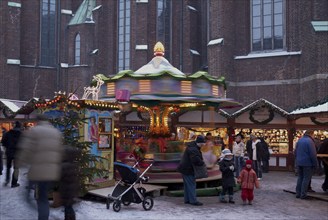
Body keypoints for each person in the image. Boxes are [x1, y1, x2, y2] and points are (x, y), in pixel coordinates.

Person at [17, 115, 64, 220]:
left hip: (37, 170)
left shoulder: (34, 131)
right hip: (51, 172)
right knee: (43, 196)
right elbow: (60, 152)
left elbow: (26, 149)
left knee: (30, 196)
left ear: (38, 121)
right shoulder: (56, 132)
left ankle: (41, 215)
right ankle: (44, 215)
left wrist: (20, 163)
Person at [177, 135, 206, 206]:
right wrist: (202, 162)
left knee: (187, 185)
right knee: (191, 184)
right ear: (200, 143)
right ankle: (193, 200)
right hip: (188, 169)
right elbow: (195, 159)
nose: (203, 145)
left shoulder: (192, 146)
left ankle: (187, 199)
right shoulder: (193, 149)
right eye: (202, 143)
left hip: (185, 168)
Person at [294, 130, 318, 199]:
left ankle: (298, 193)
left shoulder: (300, 140)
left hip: (299, 162)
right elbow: (313, 154)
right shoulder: (310, 142)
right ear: (311, 134)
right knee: (306, 178)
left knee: (300, 177)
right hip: (307, 163)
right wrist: (315, 164)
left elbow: (295, 152)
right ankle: (303, 194)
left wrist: (297, 160)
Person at [1, 121, 22, 187]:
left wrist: (7, 147)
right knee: (16, 168)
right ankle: (14, 183)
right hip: (18, 154)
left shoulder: (7, 133)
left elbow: (3, 142)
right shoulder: (22, 134)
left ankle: (7, 180)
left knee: (8, 167)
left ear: (13, 126)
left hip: (9, 152)